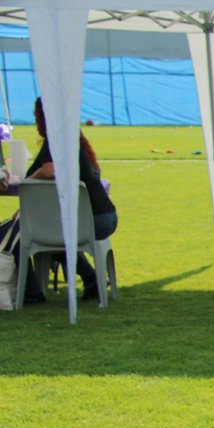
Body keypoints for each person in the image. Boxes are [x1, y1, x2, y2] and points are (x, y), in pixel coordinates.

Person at [22, 96, 118, 302]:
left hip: (92, 219)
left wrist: (27, 181)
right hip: (105, 214)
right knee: (46, 231)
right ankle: (91, 278)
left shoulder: (58, 139)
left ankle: (30, 290)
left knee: (41, 234)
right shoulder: (74, 139)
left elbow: (49, 171)